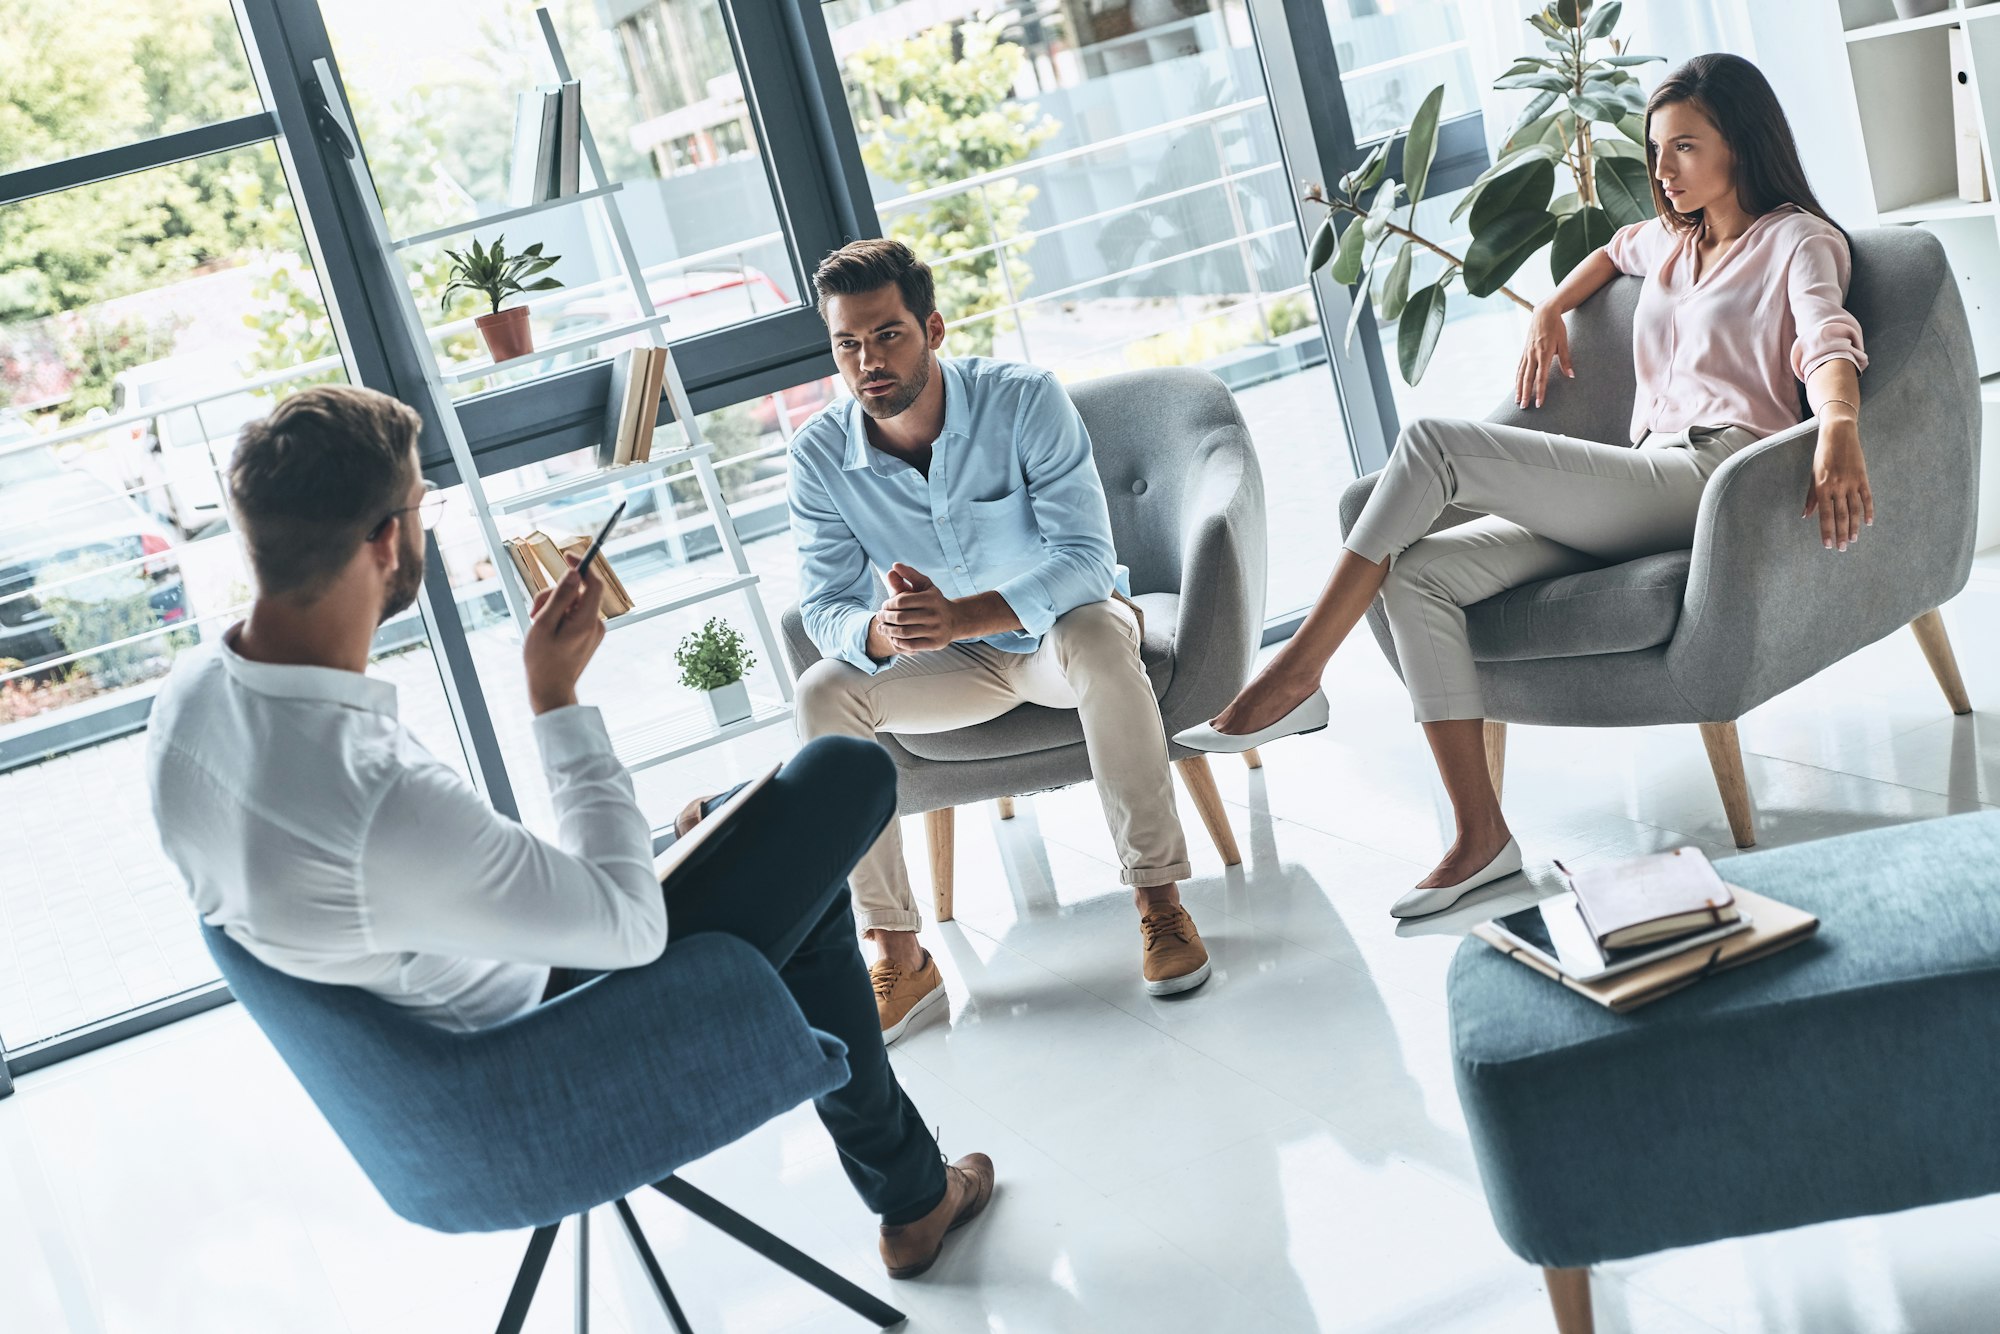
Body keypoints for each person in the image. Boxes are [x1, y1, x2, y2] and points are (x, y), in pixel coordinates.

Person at [145, 385, 991, 1279]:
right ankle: (910, 1196)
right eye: (425, 511)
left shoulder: (192, 696)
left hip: (438, 1021)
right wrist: (555, 697)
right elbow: (629, 927)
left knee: (781, 838)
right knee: (841, 778)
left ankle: (912, 1195)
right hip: (550, 1042)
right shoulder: (371, 797)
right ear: (388, 541)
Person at [1177, 53, 1872, 919]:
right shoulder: (1673, 238)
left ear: (1744, 142)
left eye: (1685, 148)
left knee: (1435, 443)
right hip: (1642, 481)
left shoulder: (1796, 240)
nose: (1662, 171)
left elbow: (1826, 340)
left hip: (1711, 478)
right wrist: (1547, 308)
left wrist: (1838, 424)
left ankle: (1294, 675)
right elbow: (1614, 252)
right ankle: (1480, 840)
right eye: (1656, 150)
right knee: (1419, 574)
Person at [789, 238, 1212, 1042]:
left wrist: (967, 614)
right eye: (847, 344)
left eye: (888, 335)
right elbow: (823, 607)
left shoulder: (1022, 401)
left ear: (934, 329)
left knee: (1092, 633)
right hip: (952, 667)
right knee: (822, 691)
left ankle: (1159, 902)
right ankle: (901, 956)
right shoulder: (818, 457)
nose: (867, 361)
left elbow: (1087, 563)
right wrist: (878, 632)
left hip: (1057, 640)